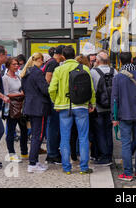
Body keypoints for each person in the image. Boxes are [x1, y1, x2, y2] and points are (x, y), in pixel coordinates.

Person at [49, 46, 96, 175]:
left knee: (65, 137)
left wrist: (56, 102)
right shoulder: (85, 68)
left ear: (63, 56)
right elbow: (91, 89)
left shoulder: (58, 70)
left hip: (64, 107)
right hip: (81, 106)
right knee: (83, 137)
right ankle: (84, 168)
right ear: (74, 54)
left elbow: (52, 89)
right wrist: (92, 103)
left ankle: (67, 168)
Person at [112, 52, 136, 181]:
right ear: (132, 60)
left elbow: (115, 99)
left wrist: (114, 117)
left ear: (120, 61)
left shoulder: (117, 77)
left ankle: (128, 173)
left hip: (124, 114)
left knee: (126, 144)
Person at [21, 53, 52, 173]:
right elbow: (45, 90)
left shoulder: (26, 72)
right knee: (38, 136)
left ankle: (34, 161)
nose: (43, 63)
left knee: (35, 135)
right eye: (42, 61)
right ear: (39, 60)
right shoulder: (37, 72)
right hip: (40, 107)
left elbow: (24, 90)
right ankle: (32, 163)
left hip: (30, 106)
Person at [91, 51, 118, 166]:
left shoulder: (93, 72)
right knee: (108, 132)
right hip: (111, 107)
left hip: (98, 107)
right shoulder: (115, 71)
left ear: (97, 61)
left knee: (99, 132)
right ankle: (109, 155)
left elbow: (91, 90)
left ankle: (103, 157)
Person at [44, 45, 66, 165]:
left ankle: (52, 153)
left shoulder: (50, 62)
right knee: (53, 127)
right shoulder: (53, 64)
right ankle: (52, 154)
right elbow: (48, 79)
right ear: (61, 54)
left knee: (52, 127)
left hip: (50, 99)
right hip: (52, 100)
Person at [3, 57, 28, 162]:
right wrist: (20, 94)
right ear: (8, 66)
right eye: (14, 64)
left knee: (24, 130)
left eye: (17, 64)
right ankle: (11, 153)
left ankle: (24, 152)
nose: (16, 66)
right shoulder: (5, 78)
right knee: (11, 131)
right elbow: (6, 93)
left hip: (21, 106)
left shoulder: (18, 76)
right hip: (11, 107)